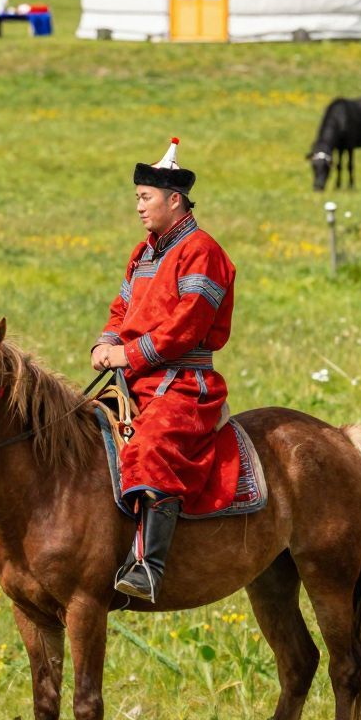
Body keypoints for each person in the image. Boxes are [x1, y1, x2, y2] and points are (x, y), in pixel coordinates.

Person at [90, 137, 235, 603]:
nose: (138, 206)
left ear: (174, 200)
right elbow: (122, 308)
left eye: (145, 197)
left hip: (185, 383)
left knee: (151, 445)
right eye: (137, 197)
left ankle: (147, 567)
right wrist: (107, 341)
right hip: (135, 380)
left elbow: (187, 326)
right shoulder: (144, 252)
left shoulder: (202, 251)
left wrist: (128, 355)